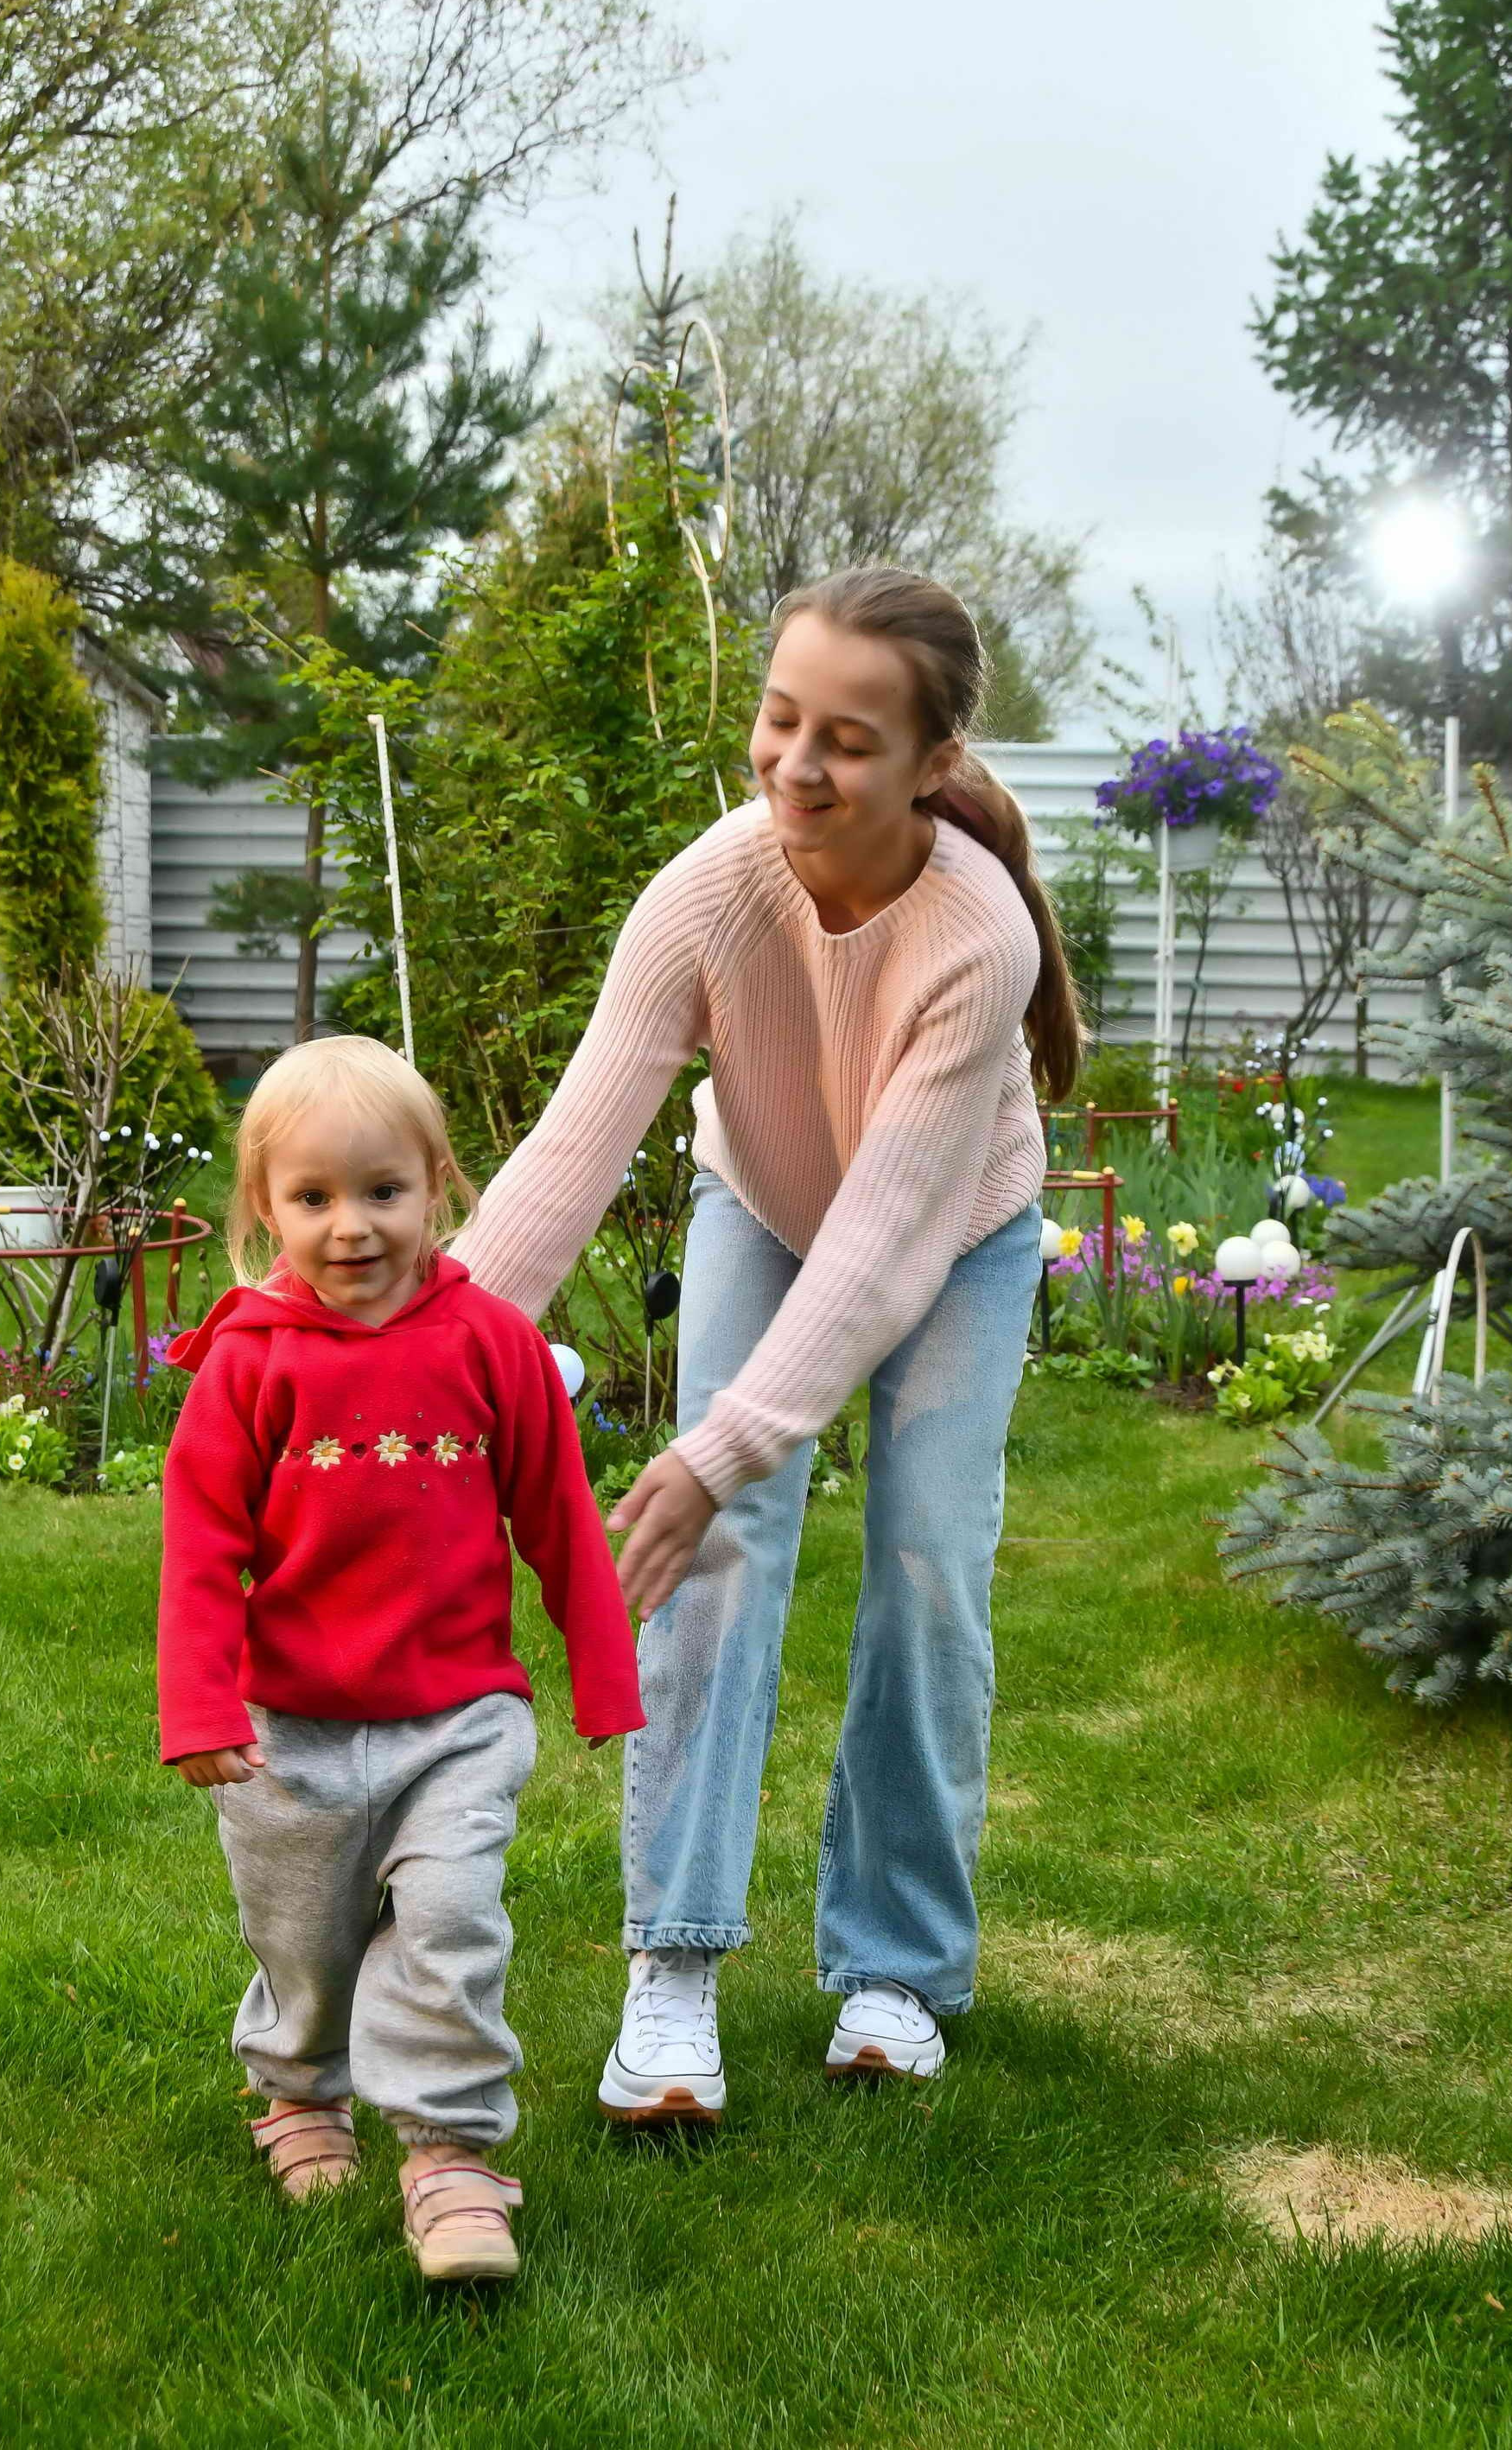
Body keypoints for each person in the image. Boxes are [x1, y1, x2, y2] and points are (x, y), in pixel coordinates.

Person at [450, 565, 1083, 2122]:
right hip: (766, 1196)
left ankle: (897, 1964)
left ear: (932, 765)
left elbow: (879, 1256)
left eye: (849, 742)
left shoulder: (975, 935)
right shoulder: (711, 891)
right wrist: (423, 1360)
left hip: (952, 1233)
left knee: (928, 1564)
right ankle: (674, 1962)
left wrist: (726, 1433)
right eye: (780, 719)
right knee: (720, 1546)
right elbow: (571, 1151)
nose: (800, 764)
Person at [157, 1035, 643, 2281]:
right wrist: (201, 1705)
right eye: (312, 1198)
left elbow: (560, 1520)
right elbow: (204, 1549)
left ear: (438, 1185)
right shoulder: (248, 1364)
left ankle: (451, 2153)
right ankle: (301, 2091)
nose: (351, 1227)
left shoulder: (493, 1345)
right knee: (303, 1939)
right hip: (291, 1727)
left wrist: (603, 1675)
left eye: (383, 1191)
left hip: (458, 1718)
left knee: (450, 1915)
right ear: (263, 1208)